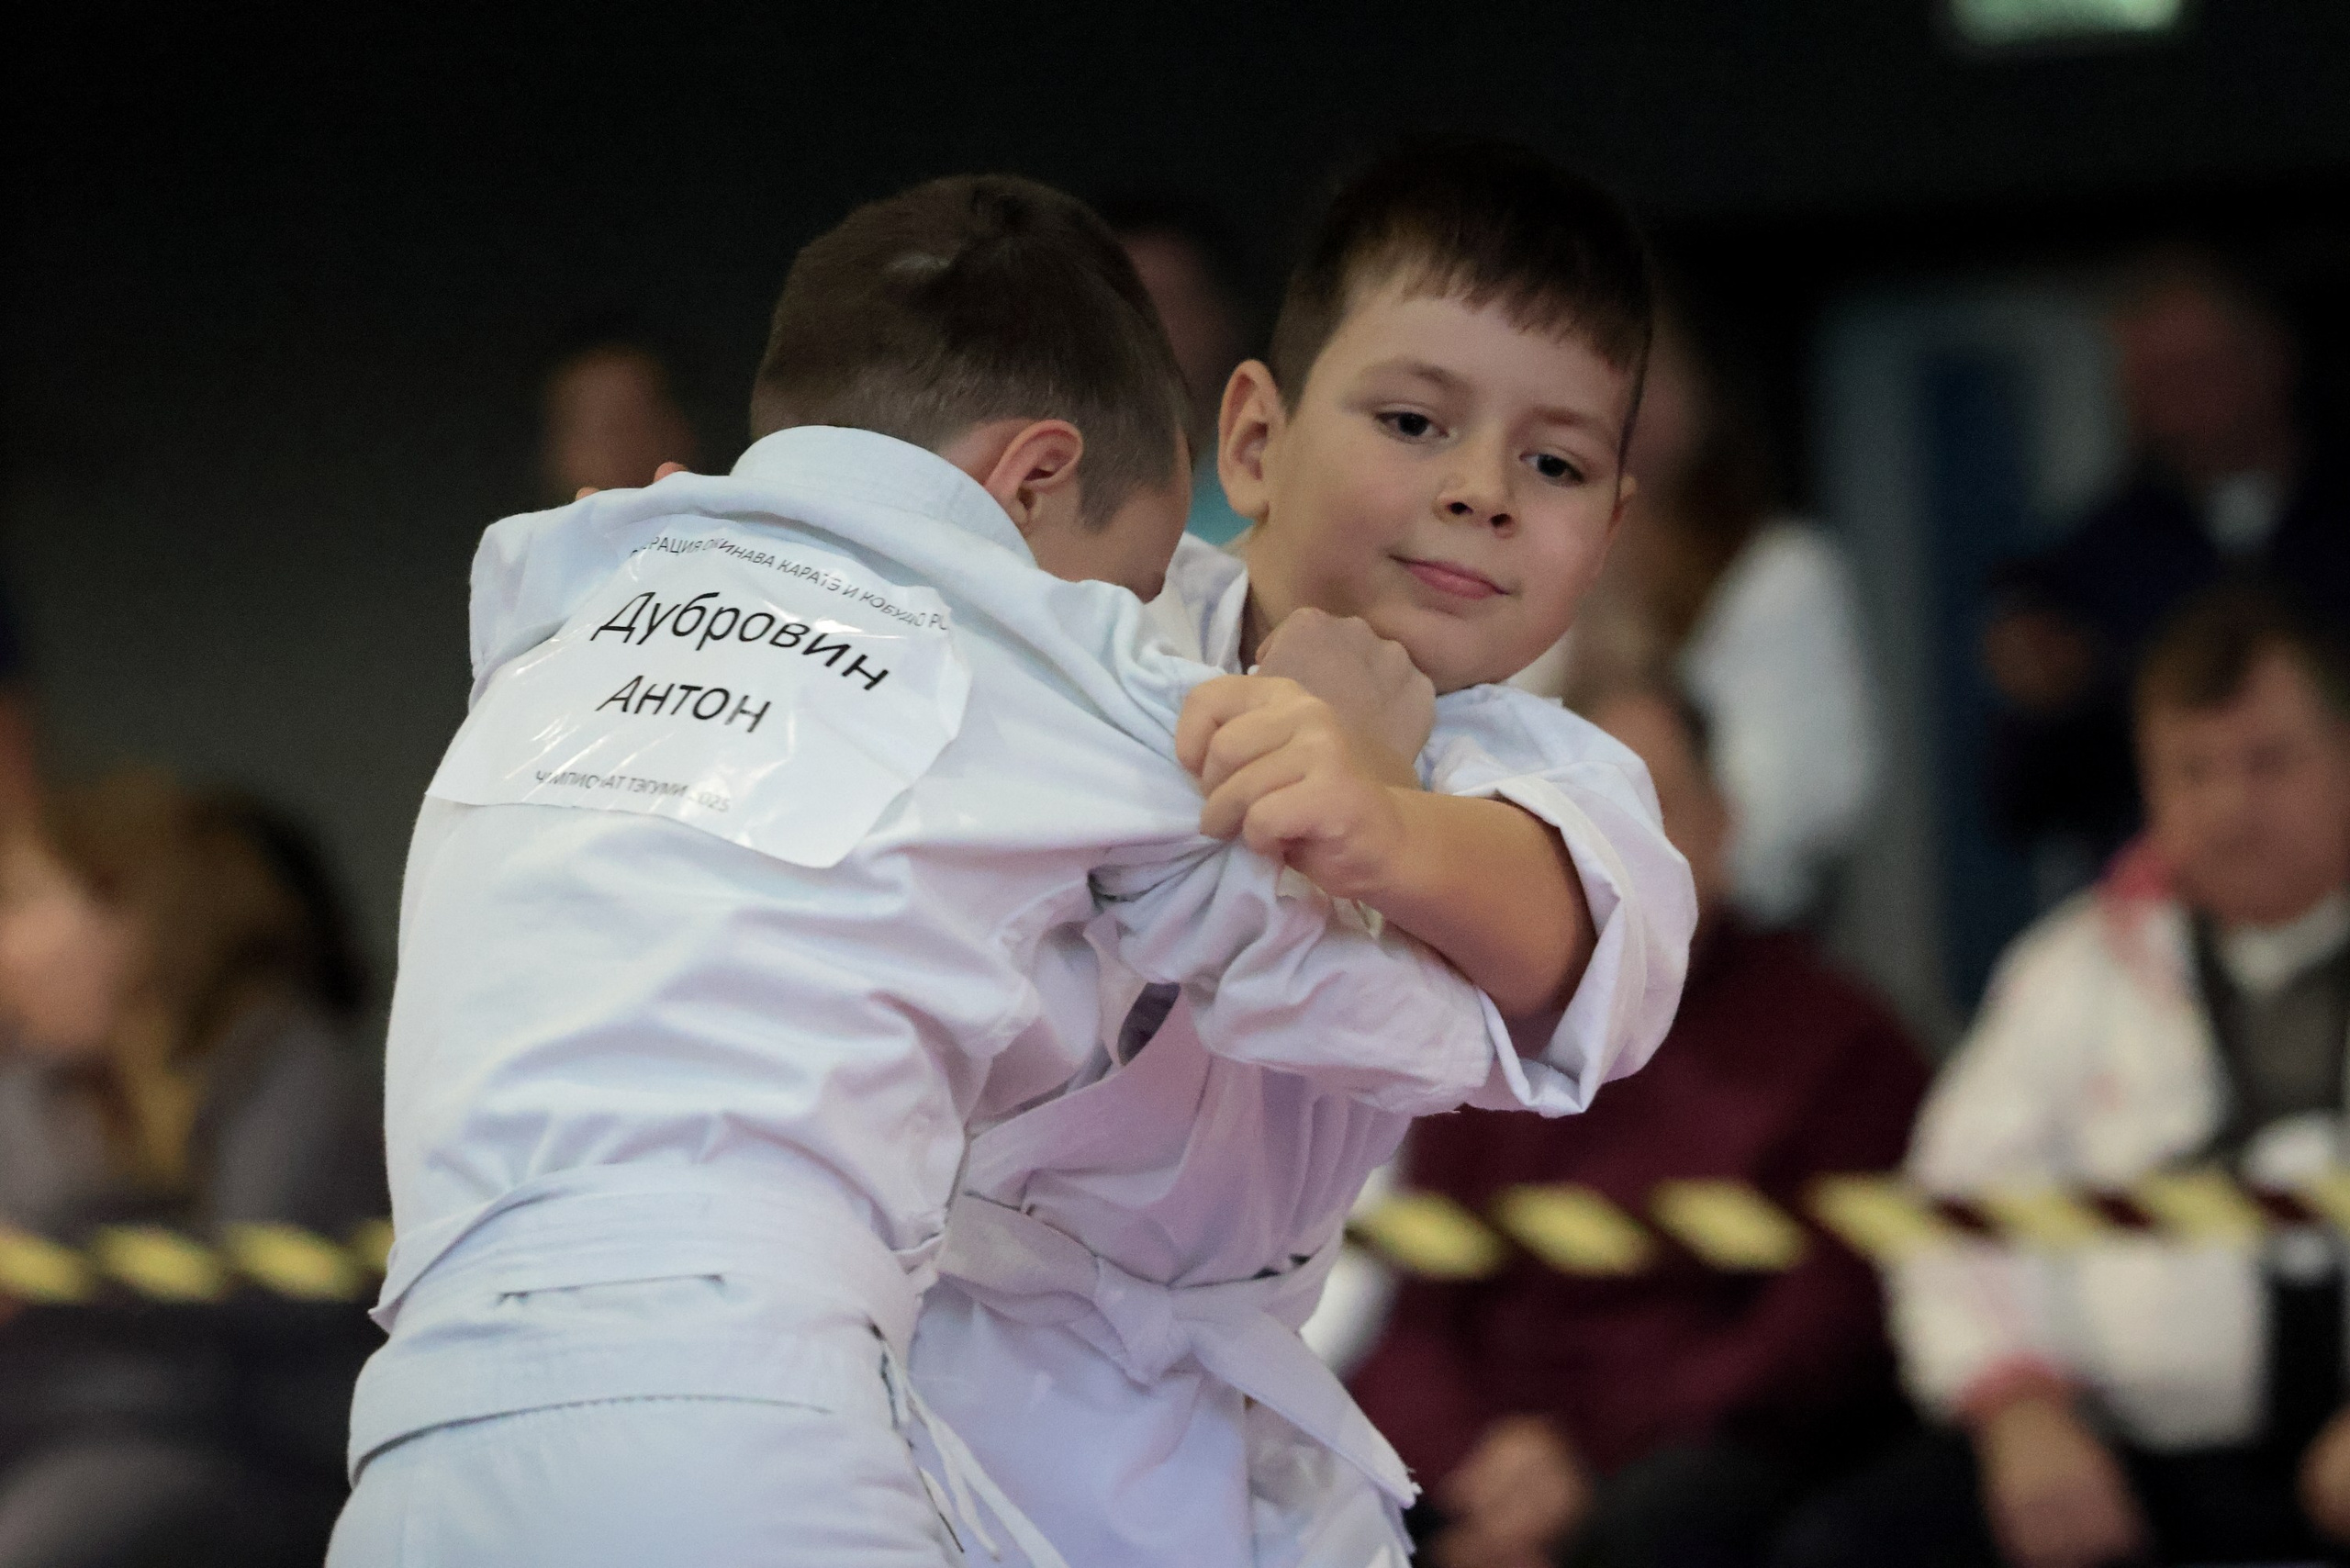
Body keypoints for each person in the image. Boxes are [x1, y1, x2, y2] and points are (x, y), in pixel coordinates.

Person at [329, 174, 1544, 1568]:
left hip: (421, 1442)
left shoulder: (564, 600)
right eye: (1133, 573)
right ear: (1032, 477)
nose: (1139, 617)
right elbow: (1410, 1024)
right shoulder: (1051, 661)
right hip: (739, 1430)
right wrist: (1372, 769)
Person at [911, 142, 1697, 1568]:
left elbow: (1579, 938)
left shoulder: (1528, 769)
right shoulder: (1083, 635)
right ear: (1255, 441)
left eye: (1558, 461)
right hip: (894, 1365)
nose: (1482, 491)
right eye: (1413, 420)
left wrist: (1384, 819)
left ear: (1611, 530)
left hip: (1210, 1436)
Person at [1778, 588, 2350, 1568]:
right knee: (1848, 1543)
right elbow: (1950, 1216)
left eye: (2268, 762)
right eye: (2191, 770)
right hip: (2123, 1455)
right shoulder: (2071, 972)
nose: (2229, 805)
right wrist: (2015, 1406)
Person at [1341, 684, 1925, 1568]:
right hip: (1486, 1466)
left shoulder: (1841, 1040)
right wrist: (1471, 1468)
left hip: (1684, 1457)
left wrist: (1585, 1457)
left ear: (1724, 825)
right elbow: (1423, 1305)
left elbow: (1819, 1333)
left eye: (1657, 812)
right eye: (1585, 820)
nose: (1625, 856)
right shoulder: (1478, 1029)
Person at [0, 772, 386, 1568]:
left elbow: (261, 1298)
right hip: (48, 1444)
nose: (8, 948)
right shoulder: (38, 1091)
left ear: (136, 917)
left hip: (247, 1458)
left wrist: (53, 1270)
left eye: (26, 904)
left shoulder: (290, 1070)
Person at [1984, 251, 2350, 890]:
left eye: (2196, 371)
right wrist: (2049, 703)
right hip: (2170, 910)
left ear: (2272, 361)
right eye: (2150, 382)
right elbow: (2022, 803)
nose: (2177, 405)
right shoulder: (2087, 563)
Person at [1516, 308, 1878, 928]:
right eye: (1590, 377)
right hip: (1527, 927)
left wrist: (1641, 673)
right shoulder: (1497, 565)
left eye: (1645, 375)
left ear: (1699, 390)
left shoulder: (1781, 571)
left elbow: (1808, 803)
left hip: (1735, 940)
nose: (1621, 408)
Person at [1103, 195, 1258, 544]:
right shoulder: (1044, 485)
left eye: (1162, 303)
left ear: (1223, 318)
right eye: (1114, 304)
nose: (1134, 328)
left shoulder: (1281, 483)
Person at [537, 330, 701, 505]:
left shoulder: (725, 524)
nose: (630, 444)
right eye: (608, 429)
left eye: (644, 423)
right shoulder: (518, 531)